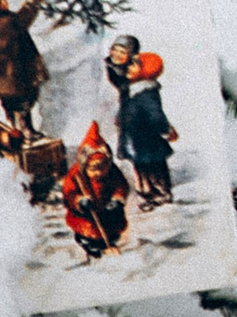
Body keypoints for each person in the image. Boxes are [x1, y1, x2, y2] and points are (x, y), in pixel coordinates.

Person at [106, 41, 177, 208]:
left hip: (148, 141)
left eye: (133, 66)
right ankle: (146, 194)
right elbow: (126, 105)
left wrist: (166, 130)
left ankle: (161, 193)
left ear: (145, 72)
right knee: (141, 170)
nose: (128, 69)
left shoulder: (147, 93)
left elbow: (156, 116)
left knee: (155, 168)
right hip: (134, 138)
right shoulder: (130, 88)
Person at [0, 0, 45, 137]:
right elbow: (28, 12)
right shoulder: (10, 21)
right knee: (24, 104)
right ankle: (26, 130)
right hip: (19, 76)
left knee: (10, 105)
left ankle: (14, 129)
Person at [61, 123, 131, 260]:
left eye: (102, 167)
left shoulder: (113, 172)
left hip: (107, 211)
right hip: (87, 215)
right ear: (84, 165)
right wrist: (79, 202)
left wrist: (117, 200)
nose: (98, 172)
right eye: (93, 169)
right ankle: (91, 248)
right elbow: (69, 192)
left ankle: (109, 243)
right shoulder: (76, 175)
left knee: (112, 229)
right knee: (88, 232)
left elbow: (121, 186)